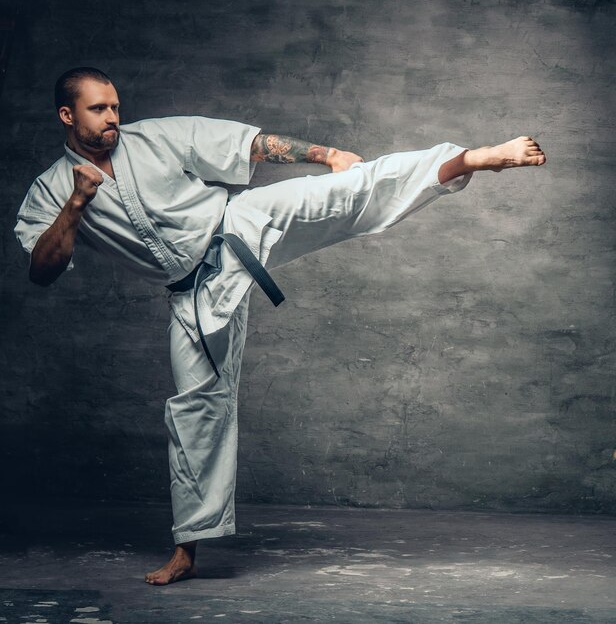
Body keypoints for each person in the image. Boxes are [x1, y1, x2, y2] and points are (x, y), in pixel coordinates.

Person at [14, 67, 546, 585]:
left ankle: (471, 158)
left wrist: (328, 155)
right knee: (196, 411)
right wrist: (78, 201)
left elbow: (248, 144)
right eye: (98, 109)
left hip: (238, 223)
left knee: (342, 191)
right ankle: (187, 550)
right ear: (67, 115)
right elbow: (43, 270)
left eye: (115, 107)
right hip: (194, 296)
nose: (113, 118)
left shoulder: (154, 138)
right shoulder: (50, 190)